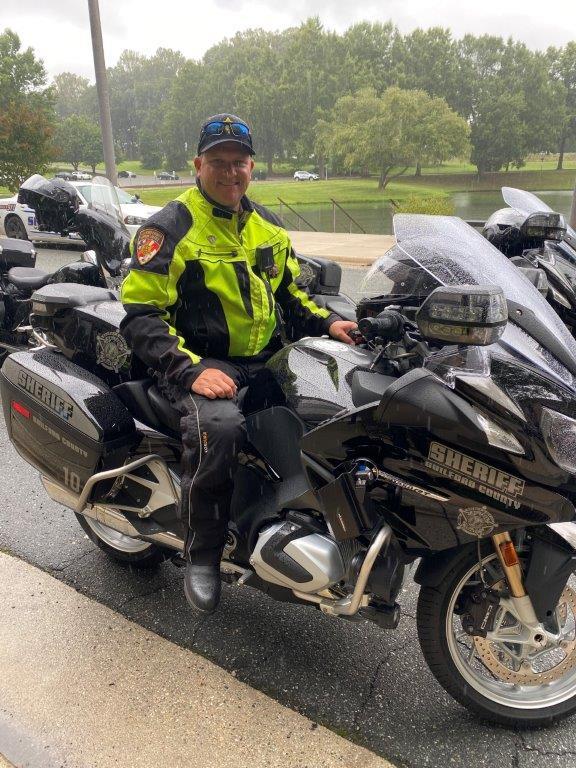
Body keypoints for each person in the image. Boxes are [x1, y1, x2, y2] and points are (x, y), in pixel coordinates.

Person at [120, 113, 357, 613]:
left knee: (329, 406)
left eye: (239, 162)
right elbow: (141, 316)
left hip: (263, 358)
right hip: (198, 362)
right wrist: (191, 372)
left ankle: (296, 520)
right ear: (198, 165)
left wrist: (330, 323)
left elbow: (292, 294)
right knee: (221, 429)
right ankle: (203, 553)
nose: (230, 172)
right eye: (219, 162)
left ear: (252, 167)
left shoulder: (266, 225)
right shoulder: (168, 229)